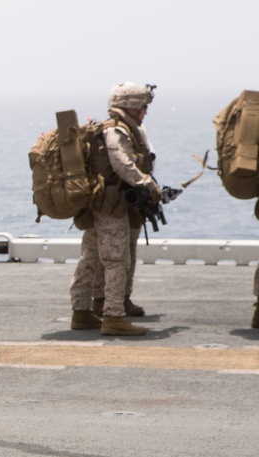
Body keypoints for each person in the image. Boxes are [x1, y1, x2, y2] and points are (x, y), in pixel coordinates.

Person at [70, 82, 160, 336]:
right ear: (131, 107)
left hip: (100, 206)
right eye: (142, 107)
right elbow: (122, 164)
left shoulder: (117, 129)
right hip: (111, 207)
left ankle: (82, 312)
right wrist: (148, 185)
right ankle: (112, 316)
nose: (145, 112)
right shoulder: (117, 131)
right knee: (116, 260)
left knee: (90, 259)